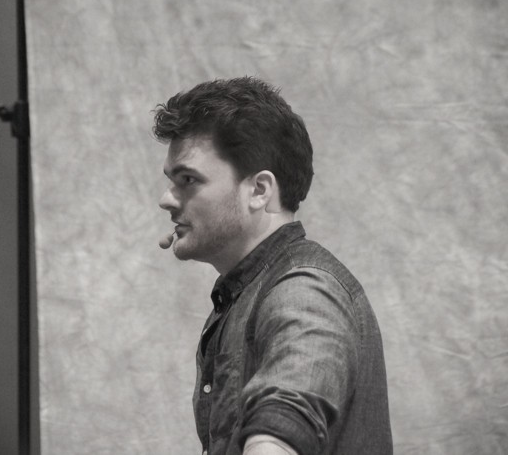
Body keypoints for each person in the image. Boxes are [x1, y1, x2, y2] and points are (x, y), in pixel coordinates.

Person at [153, 77, 392, 455]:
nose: (166, 199)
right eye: (172, 181)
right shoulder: (247, 292)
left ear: (260, 191)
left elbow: (284, 421)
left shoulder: (304, 291)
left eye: (188, 179)